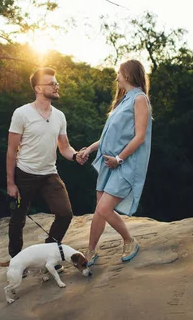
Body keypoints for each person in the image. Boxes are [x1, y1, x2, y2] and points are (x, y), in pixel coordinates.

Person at [6, 67, 87, 264]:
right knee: (18, 220)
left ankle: (48, 252)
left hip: (50, 174)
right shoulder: (22, 113)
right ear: (38, 89)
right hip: (24, 174)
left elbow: (65, 147)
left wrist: (76, 156)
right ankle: (16, 260)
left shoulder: (59, 116)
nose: (57, 86)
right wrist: (11, 183)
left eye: (56, 83)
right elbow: (11, 149)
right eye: (52, 84)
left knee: (65, 214)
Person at [78, 59, 152, 266]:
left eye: (119, 73)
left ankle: (130, 241)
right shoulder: (123, 101)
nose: (117, 77)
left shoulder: (139, 99)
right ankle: (90, 251)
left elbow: (140, 137)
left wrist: (120, 159)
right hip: (109, 163)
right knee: (100, 209)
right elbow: (110, 137)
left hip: (125, 163)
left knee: (103, 208)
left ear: (127, 75)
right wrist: (91, 149)